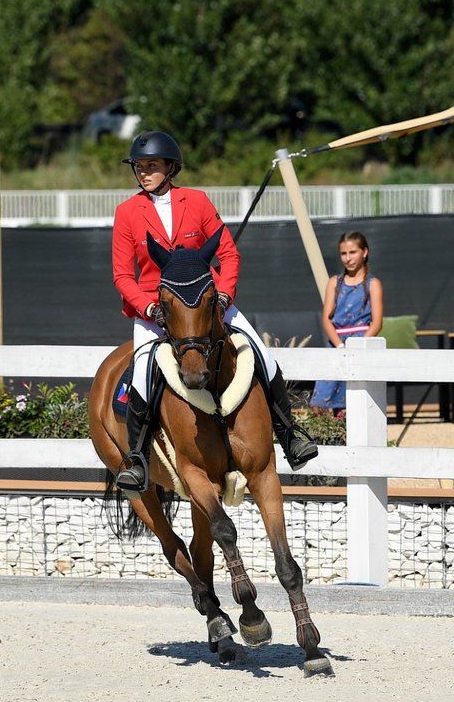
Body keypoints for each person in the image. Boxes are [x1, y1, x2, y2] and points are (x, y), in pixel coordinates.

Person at [111, 131, 318, 494]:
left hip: (209, 306)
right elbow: (123, 275)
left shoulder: (199, 202)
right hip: (154, 311)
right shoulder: (128, 213)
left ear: (171, 167)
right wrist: (146, 307)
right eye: (139, 167)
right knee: (142, 376)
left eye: (151, 166)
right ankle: (137, 458)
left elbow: (229, 255)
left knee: (263, 357)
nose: (143, 172)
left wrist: (222, 297)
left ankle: (290, 436)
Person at [310, 232, 384, 413]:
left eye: (353, 252)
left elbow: (377, 323)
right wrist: (340, 346)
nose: (348, 258)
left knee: (356, 403)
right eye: (344, 253)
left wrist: (358, 346)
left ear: (364, 252)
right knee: (321, 405)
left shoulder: (373, 284)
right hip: (336, 346)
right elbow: (327, 319)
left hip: (361, 346)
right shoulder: (334, 283)